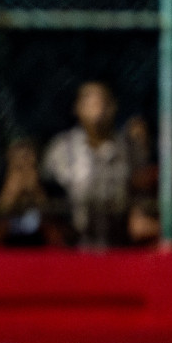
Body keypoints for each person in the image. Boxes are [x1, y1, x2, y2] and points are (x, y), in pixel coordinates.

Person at [41, 81, 132, 246]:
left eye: (101, 101)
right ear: (77, 108)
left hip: (118, 240)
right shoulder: (60, 148)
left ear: (112, 107)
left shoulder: (129, 149)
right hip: (72, 241)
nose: (97, 107)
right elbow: (47, 193)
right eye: (89, 101)